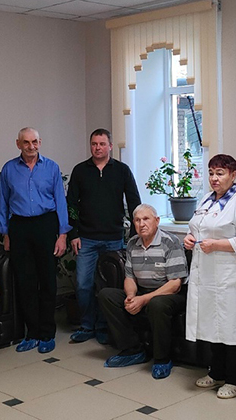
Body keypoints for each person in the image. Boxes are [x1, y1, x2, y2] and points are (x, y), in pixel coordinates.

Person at [183, 154, 236, 399]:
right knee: (212, 325)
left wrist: (217, 245)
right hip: (205, 275)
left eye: (220, 173)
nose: (215, 178)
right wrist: (189, 239)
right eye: (211, 173)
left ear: (233, 175)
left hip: (229, 277)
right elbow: (196, 227)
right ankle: (216, 373)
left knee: (231, 327)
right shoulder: (206, 199)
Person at [0, 127, 70, 353]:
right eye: (26, 142)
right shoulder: (9, 169)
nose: (31, 146)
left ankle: (47, 333)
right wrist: (6, 233)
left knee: (47, 281)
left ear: (40, 142)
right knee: (25, 282)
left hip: (45, 224)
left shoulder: (51, 167)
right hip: (19, 227)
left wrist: (63, 235)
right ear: (18, 144)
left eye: (35, 142)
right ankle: (32, 333)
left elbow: (60, 201)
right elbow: (3, 203)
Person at [67, 128, 141, 344]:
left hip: (114, 239)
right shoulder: (80, 171)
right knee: (83, 284)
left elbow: (134, 201)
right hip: (86, 239)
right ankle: (87, 325)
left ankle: (103, 326)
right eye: (94, 144)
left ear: (110, 146)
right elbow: (71, 205)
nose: (97, 148)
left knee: (110, 286)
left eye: (101, 144)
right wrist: (73, 233)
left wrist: (134, 235)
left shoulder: (122, 170)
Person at [97, 204, 186, 379]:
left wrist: (143, 299)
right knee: (107, 295)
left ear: (157, 221)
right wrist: (131, 296)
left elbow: (175, 284)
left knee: (156, 303)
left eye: (146, 219)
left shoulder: (170, 242)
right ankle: (133, 349)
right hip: (143, 291)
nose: (142, 224)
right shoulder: (132, 243)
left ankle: (162, 359)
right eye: (137, 220)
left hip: (169, 294)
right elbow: (130, 278)